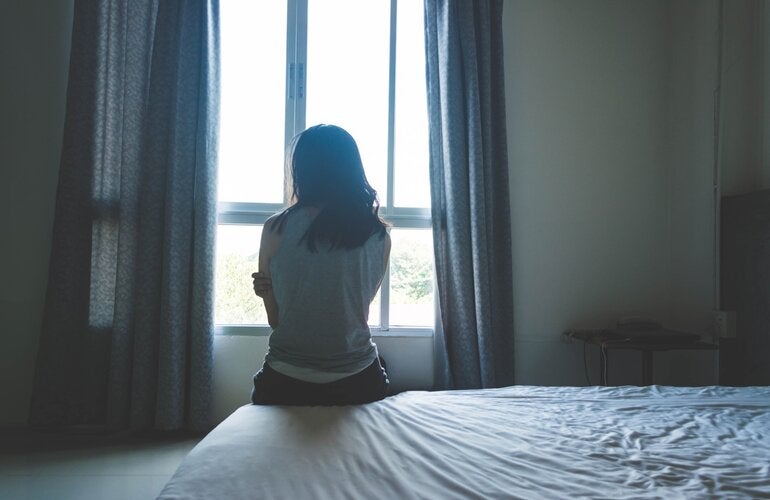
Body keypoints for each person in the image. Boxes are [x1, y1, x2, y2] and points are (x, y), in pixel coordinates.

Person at [250, 124, 391, 406]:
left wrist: (268, 291)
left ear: (301, 169)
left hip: (286, 381)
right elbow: (354, 313)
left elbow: (277, 322)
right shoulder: (379, 236)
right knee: (380, 364)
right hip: (357, 381)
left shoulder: (275, 228)